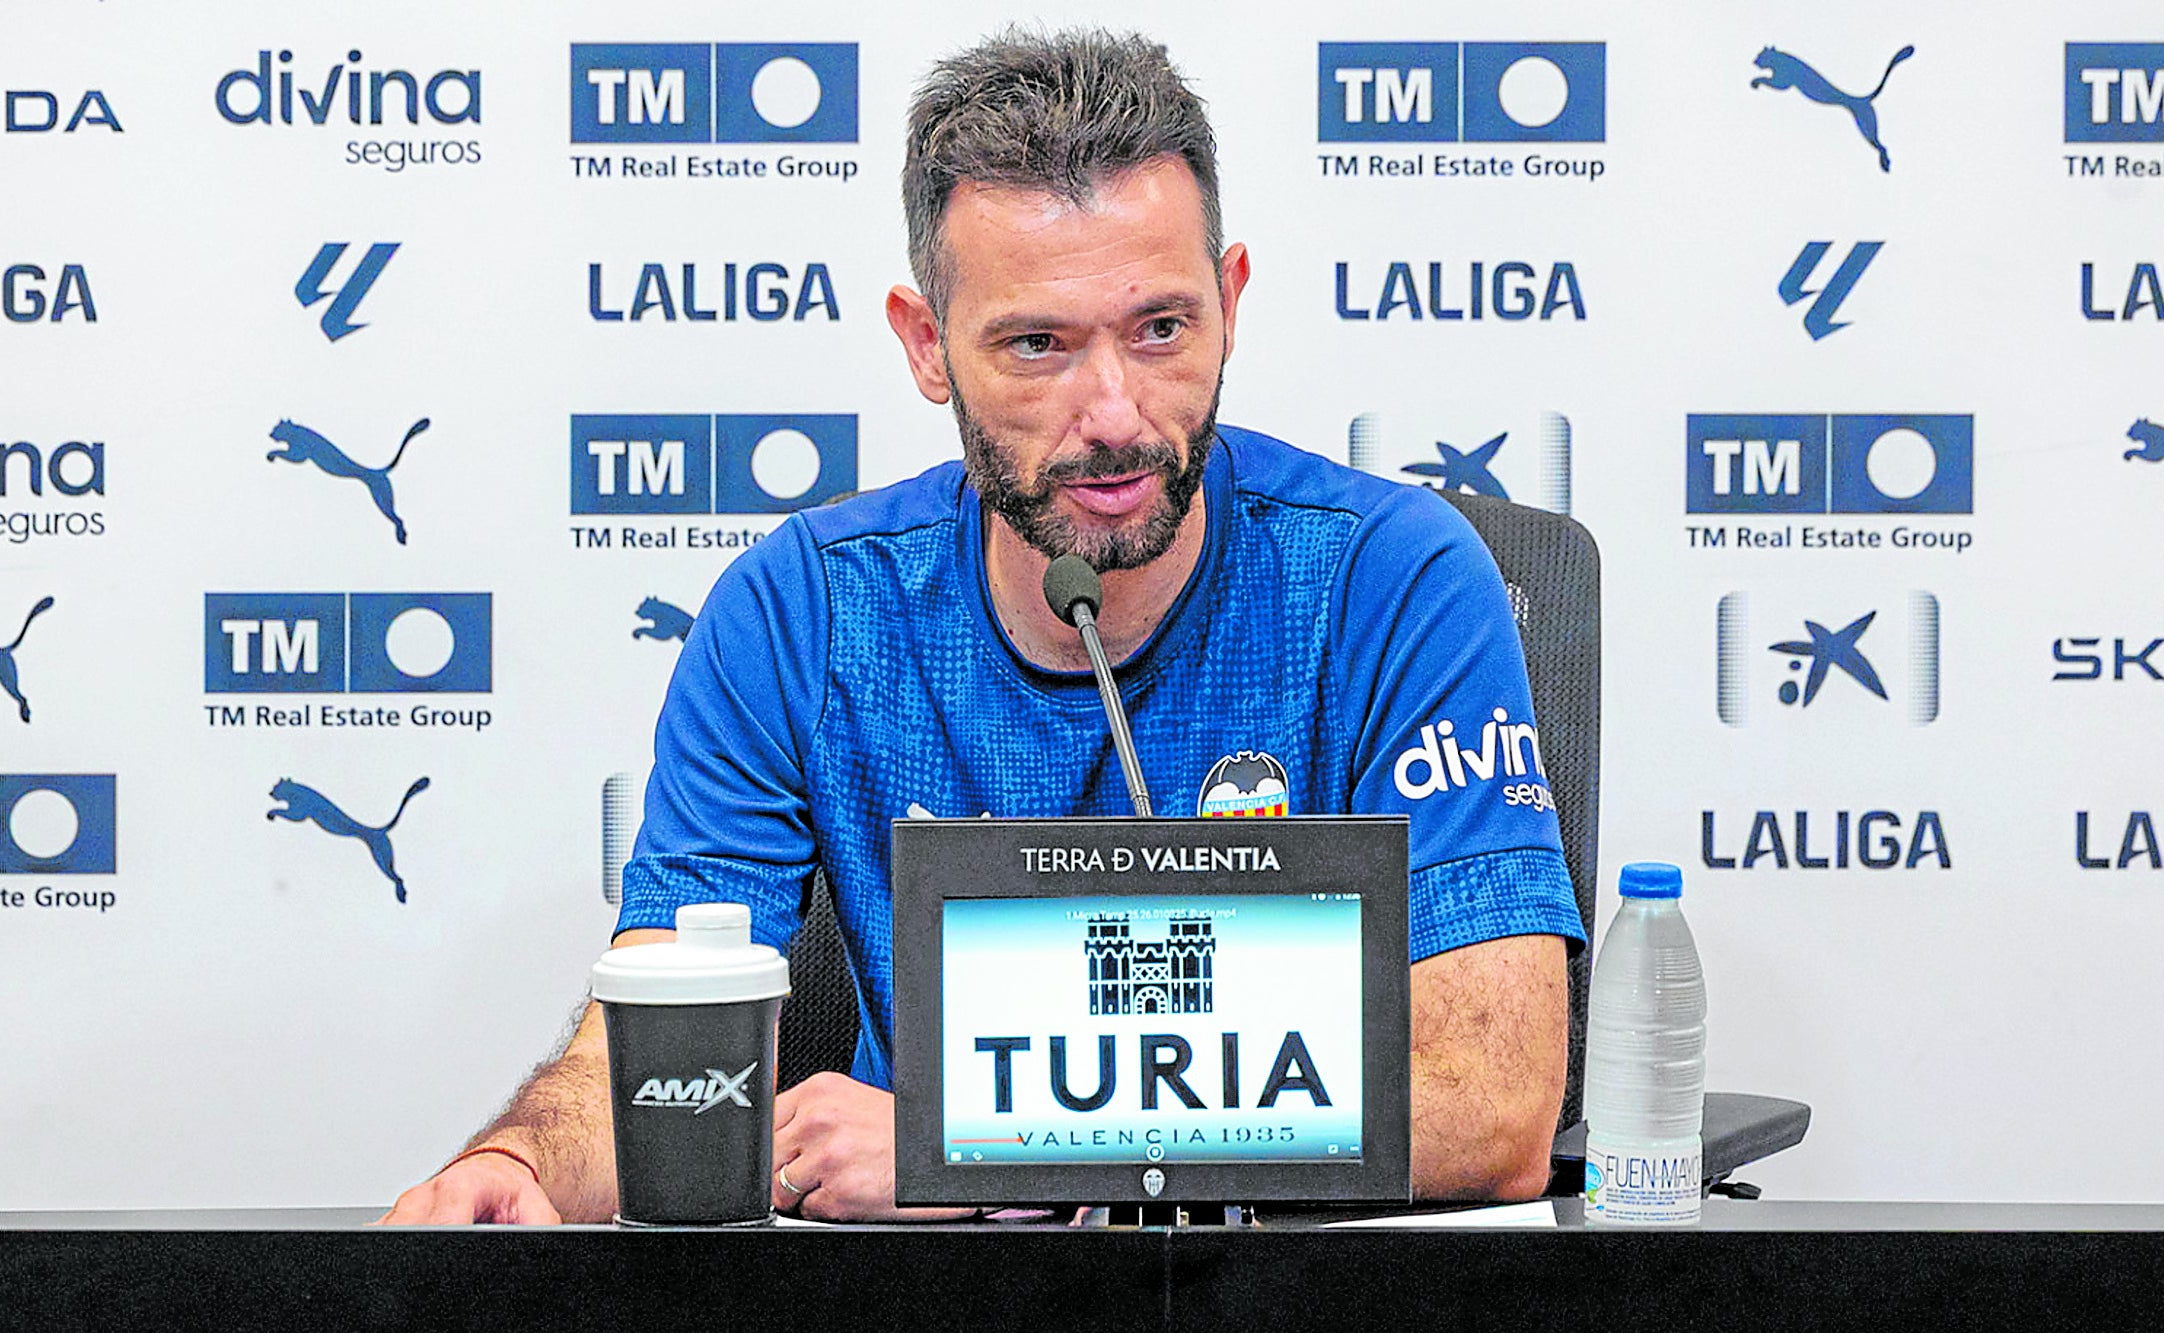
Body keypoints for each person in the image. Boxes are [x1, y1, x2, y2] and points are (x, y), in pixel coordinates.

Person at [383, 28, 1584, 1227]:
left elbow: (1494, 1103)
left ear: (1229, 303)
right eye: (1035, 346)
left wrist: (968, 1141)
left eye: (1161, 329)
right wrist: (523, 1166)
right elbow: (663, 1054)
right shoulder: (801, 611)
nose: (1112, 415)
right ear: (925, 346)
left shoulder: (1394, 577)